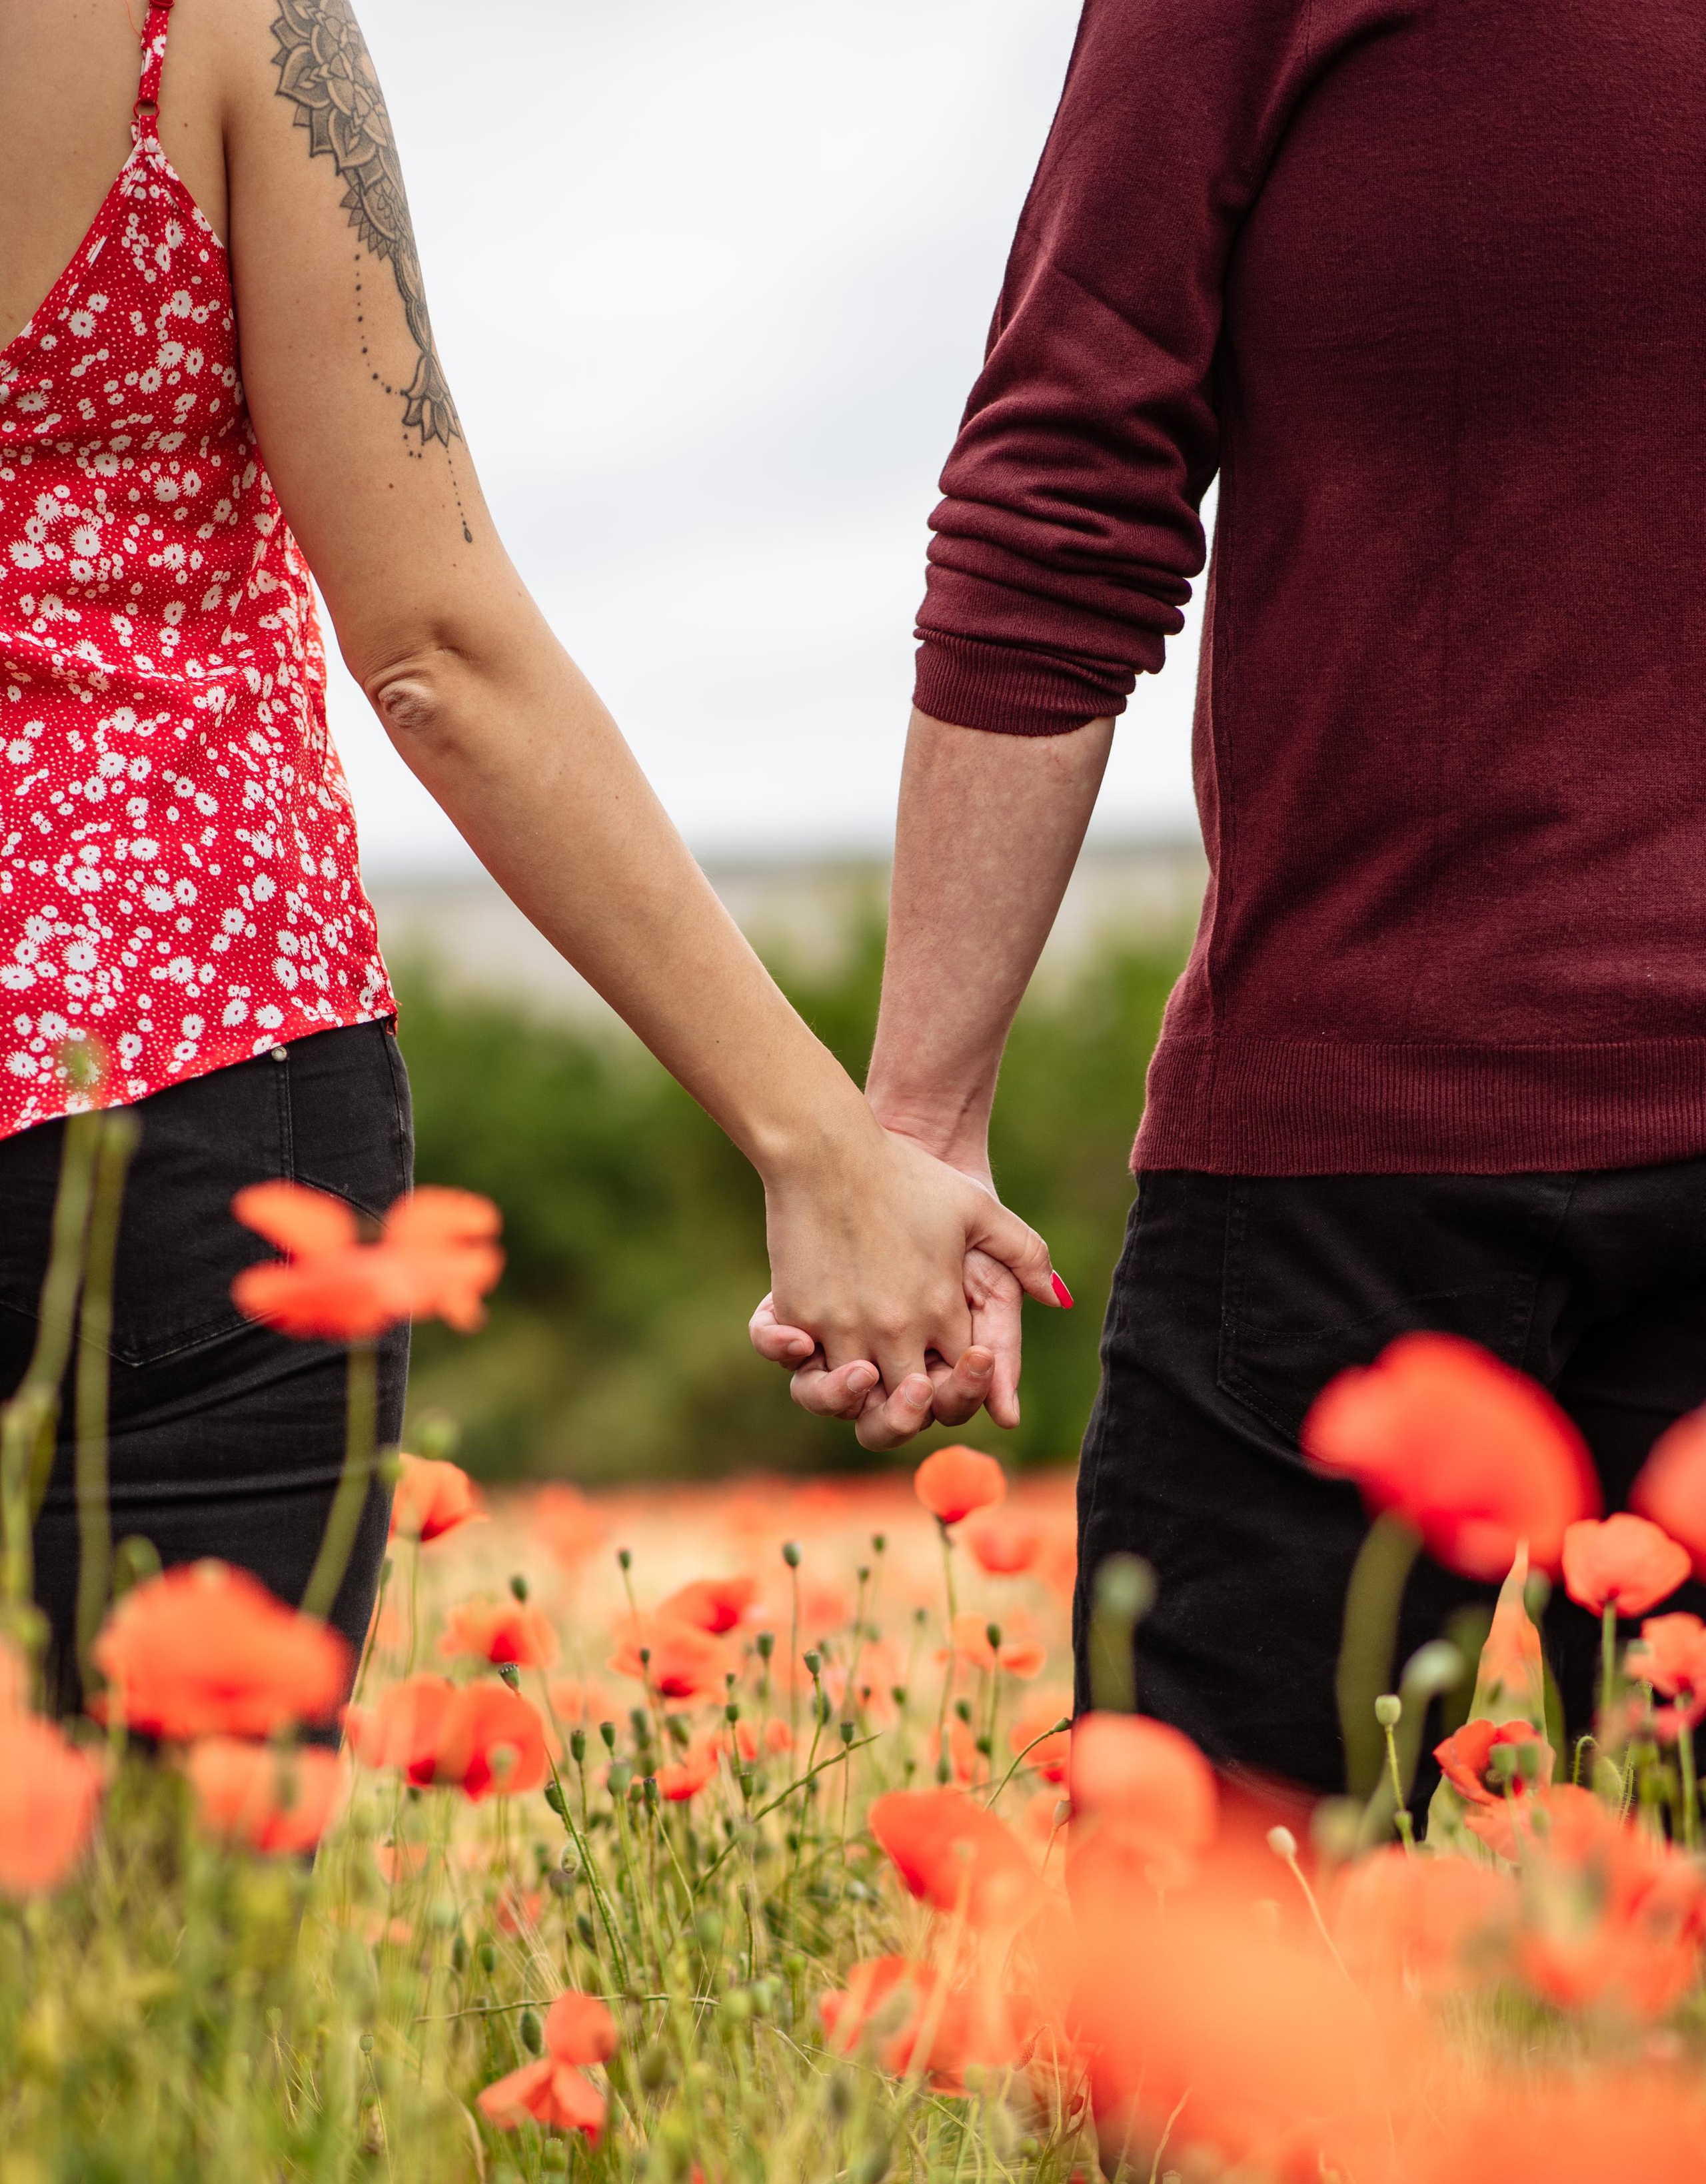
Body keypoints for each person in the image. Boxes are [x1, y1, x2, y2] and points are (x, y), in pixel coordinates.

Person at [0, 0, 1059, 1696]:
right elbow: (437, 653)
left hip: (194, 1120)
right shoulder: (214, 28)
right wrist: (821, 1150)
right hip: (190, 1095)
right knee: (168, 1919)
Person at [758, 0, 1706, 1794]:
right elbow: (1068, 500)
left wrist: (919, 1122)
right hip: (1353, 1161)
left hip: (1352, 1146)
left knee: (1230, 2005)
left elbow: (1069, 476)